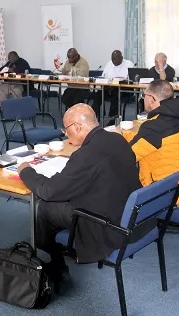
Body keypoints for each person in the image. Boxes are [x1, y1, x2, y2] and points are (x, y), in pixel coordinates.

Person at [16, 104, 146, 289]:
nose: (65, 134)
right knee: (62, 195)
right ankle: (61, 247)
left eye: (66, 129)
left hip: (105, 225)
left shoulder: (86, 155)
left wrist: (26, 171)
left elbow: (49, 190)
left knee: (45, 207)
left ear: (78, 127)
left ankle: (55, 263)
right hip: (126, 211)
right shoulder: (117, 138)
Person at [129, 80, 179, 206]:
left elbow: (128, 154)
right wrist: (126, 135)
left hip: (172, 196)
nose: (143, 99)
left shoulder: (154, 126)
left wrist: (114, 138)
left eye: (144, 96)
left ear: (151, 99)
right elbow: (150, 140)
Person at [92, 50, 134, 124]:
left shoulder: (128, 64)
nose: (114, 61)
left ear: (121, 58)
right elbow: (103, 77)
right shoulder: (109, 63)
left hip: (124, 90)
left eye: (116, 59)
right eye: (113, 59)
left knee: (116, 94)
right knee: (99, 94)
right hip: (109, 88)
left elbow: (132, 80)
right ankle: (92, 116)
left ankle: (112, 120)